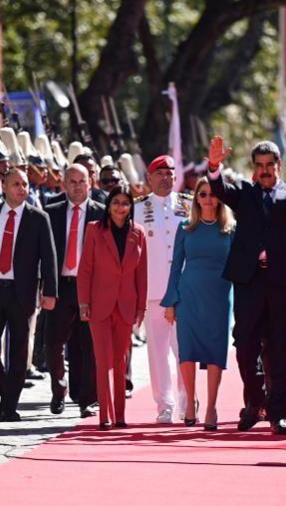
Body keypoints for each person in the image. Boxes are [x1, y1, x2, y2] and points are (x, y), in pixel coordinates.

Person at [207, 136, 286, 435]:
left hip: (285, 282)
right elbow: (219, 189)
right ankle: (257, 401)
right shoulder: (245, 193)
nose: (264, 171)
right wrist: (213, 165)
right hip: (250, 280)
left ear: (279, 166)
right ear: (253, 168)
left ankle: (278, 413)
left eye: (269, 165)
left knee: (283, 348)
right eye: (259, 166)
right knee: (245, 346)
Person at [0, 168, 57, 422]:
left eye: (25, 184)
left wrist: (49, 292)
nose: (22, 189)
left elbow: (49, 258)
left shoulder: (38, 219)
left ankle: (8, 406)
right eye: (16, 184)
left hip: (22, 292)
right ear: (4, 187)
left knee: (19, 351)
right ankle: (6, 389)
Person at [161, 179, 235, 430]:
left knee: (216, 350)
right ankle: (191, 403)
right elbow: (175, 267)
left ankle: (212, 406)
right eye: (202, 194)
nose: (208, 198)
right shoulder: (185, 227)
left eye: (213, 194)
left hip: (220, 295)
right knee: (187, 350)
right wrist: (170, 301)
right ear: (196, 199)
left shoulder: (231, 229)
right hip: (188, 296)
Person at [77, 185, 148, 429]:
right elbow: (85, 268)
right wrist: (83, 302)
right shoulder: (94, 230)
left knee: (120, 361)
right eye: (116, 202)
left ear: (131, 207)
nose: (120, 207)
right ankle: (104, 416)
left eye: (125, 203)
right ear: (108, 205)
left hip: (126, 306)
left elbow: (142, 274)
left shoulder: (138, 233)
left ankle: (120, 416)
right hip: (99, 304)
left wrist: (141, 308)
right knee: (102, 360)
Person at [135, 155, 192, 423]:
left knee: (185, 350)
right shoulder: (139, 209)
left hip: (183, 291)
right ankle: (165, 404)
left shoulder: (188, 205)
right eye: (160, 173)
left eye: (170, 173)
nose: (166, 178)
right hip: (153, 290)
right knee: (157, 353)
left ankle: (187, 399)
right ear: (150, 177)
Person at [45, 164, 104, 417]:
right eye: (72, 181)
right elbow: (44, 255)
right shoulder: (51, 212)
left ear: (90, 183)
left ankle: (88, 399)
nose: (77, 186)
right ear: (64, 183)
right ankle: (59, 390)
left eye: (82, 181)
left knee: (89, 345)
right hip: (60, 287)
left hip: (89, 288)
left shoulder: (102, 214)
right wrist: (45, 288)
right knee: (53, 343)